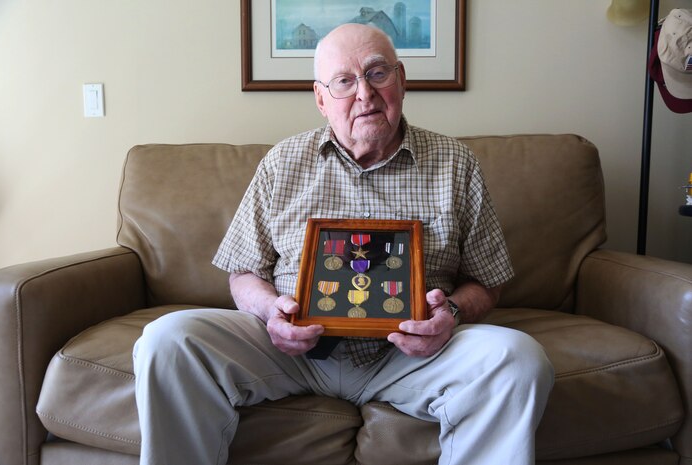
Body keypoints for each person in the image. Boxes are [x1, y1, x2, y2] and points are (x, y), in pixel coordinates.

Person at [133, 23, 554, 465]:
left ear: (402, 80)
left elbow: (487, 282)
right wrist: (269, 311)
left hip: (409, 356)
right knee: (168, 339)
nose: (365, 95)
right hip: (291, 351)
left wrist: (450, 313)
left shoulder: (455, 163)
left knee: (519, 359)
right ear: (320, 98)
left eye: (377, 74)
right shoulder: (282, 162)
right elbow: (244, 271)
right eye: (344, 81)